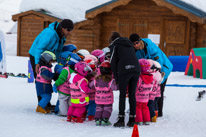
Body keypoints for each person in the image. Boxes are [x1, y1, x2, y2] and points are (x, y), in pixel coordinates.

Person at [29, 19, 74, 107]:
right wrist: (37, 63)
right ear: (62, 28)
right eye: (68, 30)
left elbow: (58, 50)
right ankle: (42, 104)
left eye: (70, 31)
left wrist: (60, 62)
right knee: (40, 78)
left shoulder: (62, 36)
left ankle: (45, 102)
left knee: (47, 78)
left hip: (47, 57)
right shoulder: (50, 33)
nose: (69, 33)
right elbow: (39, 48)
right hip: (37, 55)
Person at [129, 33, 173, 117]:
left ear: (140, 41)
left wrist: (158, 74)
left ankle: (158, 112)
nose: (135, 45)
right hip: (149, 70)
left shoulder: (150, 47)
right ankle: (149, 110)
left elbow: (159, 62)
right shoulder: (135, 51)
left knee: (158, 90)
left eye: (137, 43)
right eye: (133, 44)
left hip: (163, 68)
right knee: (147, 90)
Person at [108, 32, 141, 127]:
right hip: (136, 69)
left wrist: (116, 77)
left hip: (124, 70)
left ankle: (121, 119)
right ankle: (132, 119)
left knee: (122, 95)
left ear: (112, 39)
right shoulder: (129, 44)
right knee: (132, 95)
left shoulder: (115, 45)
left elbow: (113, 62)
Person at [53, 52, 81, 116]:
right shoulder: (77, 71)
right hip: (72, 91)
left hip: (63, 90)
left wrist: (56, 84)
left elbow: (61, 79)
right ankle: (70, 112)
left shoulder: (66, 70)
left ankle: (63, 113)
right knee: (70, 102)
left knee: (62, 101)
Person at [89, 61, 117, 126]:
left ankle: (98, 120)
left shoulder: (96, 79)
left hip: (98, 99)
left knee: (99, 108)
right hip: (108, 99)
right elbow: (115, 88)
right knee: (107, 109)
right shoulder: (110, 80)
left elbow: (90, 85)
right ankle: (105, 120)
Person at [135, 59, 154, 125]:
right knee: (145, 107)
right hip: (146, 96)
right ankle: (147, 120)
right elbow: (152, 88)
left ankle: (139, 120)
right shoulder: (151, 77)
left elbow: (136, 86)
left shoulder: (139, 78)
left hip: (138, 96)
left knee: (138, 107)